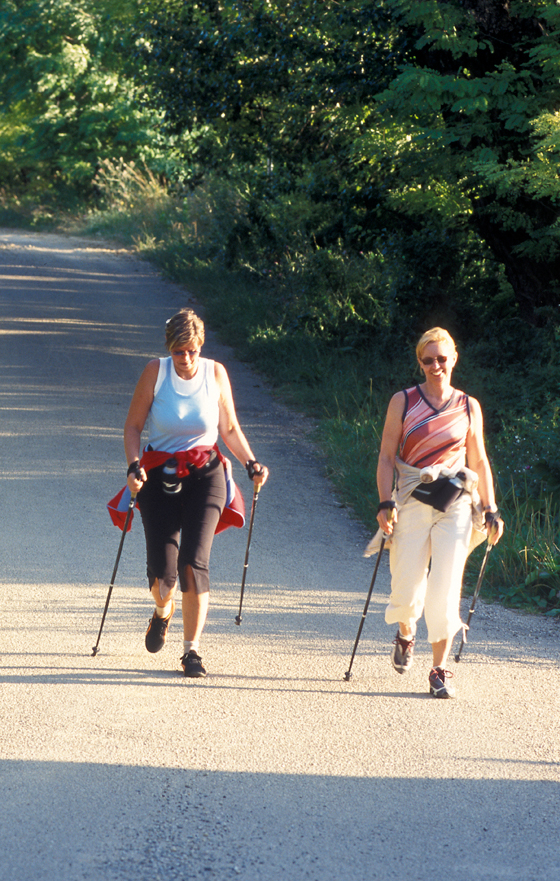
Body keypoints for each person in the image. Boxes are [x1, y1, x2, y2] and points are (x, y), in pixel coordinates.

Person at [123, 308, 268, 677]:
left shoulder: (215, 373)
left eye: (191, 350)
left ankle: (191, 652)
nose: (186, 359)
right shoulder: (156, 373)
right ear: (169, 349)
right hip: (159, 475)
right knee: (164, 576)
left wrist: (251, 462)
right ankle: (162, 610)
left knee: (193, 563)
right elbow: (133, 426)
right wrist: (134, 465)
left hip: (207, 474)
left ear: (200, 346)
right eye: (178, 351)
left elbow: (230, 428)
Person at [375, 327, 503, 698]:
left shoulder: (468, 406)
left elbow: (478, 458)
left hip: (456, 502)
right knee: (407, 583)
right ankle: (406, 632)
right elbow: (386, 457)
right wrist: (385, 502)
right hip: (413, 496)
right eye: (428, 360)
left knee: (446, 585)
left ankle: (439, 669)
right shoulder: (403, 401)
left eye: (442, 359)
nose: (436, 366)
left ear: (454, 359)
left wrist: (490, 508)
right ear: (419, 361)